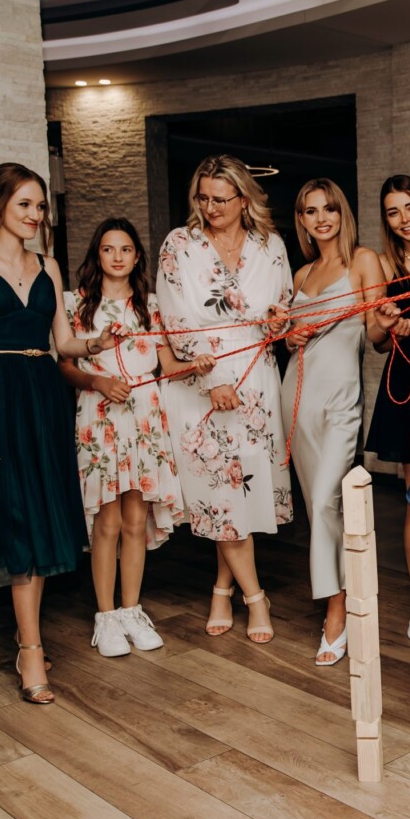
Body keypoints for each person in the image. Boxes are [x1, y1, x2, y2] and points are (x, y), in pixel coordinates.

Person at [0, 162, 116, 704]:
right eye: (25, 204)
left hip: (42, 399)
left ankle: (27, 640)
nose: (36, 215)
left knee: (37, 515)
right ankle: (32, 651)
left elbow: (63, 342)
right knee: (15, 516)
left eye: (41, 206)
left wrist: (96, 344)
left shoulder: (49, 266)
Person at [60, 218, 215, 657]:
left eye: (125, 249)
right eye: (108, 249)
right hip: (100, 415)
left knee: (134, 519)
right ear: (97, 255)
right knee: (106, 521)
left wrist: (196, 366)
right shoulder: (78, 305)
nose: (117, 257)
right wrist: (98, 383)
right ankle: (106, 617)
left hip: (145, 416)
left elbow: (167, 366)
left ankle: (131, 609)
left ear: (137, 256)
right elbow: (65, 365)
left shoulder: (151, 306)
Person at [156, 154, 293, 645]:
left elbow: (283, 306)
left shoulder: (270, 244)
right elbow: (174, 317)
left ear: (244, 198)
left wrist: (278, 322)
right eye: (203, 198)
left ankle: (221, 588)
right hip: (202, 381)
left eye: (220, 199)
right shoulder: (179, 244)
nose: (210, 207)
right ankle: (256, 598)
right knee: (220, 494)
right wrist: (208, 377)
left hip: (257, 382)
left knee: (239, 496)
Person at [281, 179, 387, 666]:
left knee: (328, 500)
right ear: (301, 220)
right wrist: (289, 338)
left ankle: (336, 610)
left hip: (341, 400)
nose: (320, 218)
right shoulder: (301, 273)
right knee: (317, 507)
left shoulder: (363, 261)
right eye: (310, 211)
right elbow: (289, 337)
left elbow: (376, 333)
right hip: (296, 397)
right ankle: (339, 592)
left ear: (342, 213)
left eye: (329, 209)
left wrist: (389, 320)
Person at [363, 175, 410, 642]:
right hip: (406, 386)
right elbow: (374, 338)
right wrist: (388, 325)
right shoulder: (385, 267)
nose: (404, 219)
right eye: (393, 212)